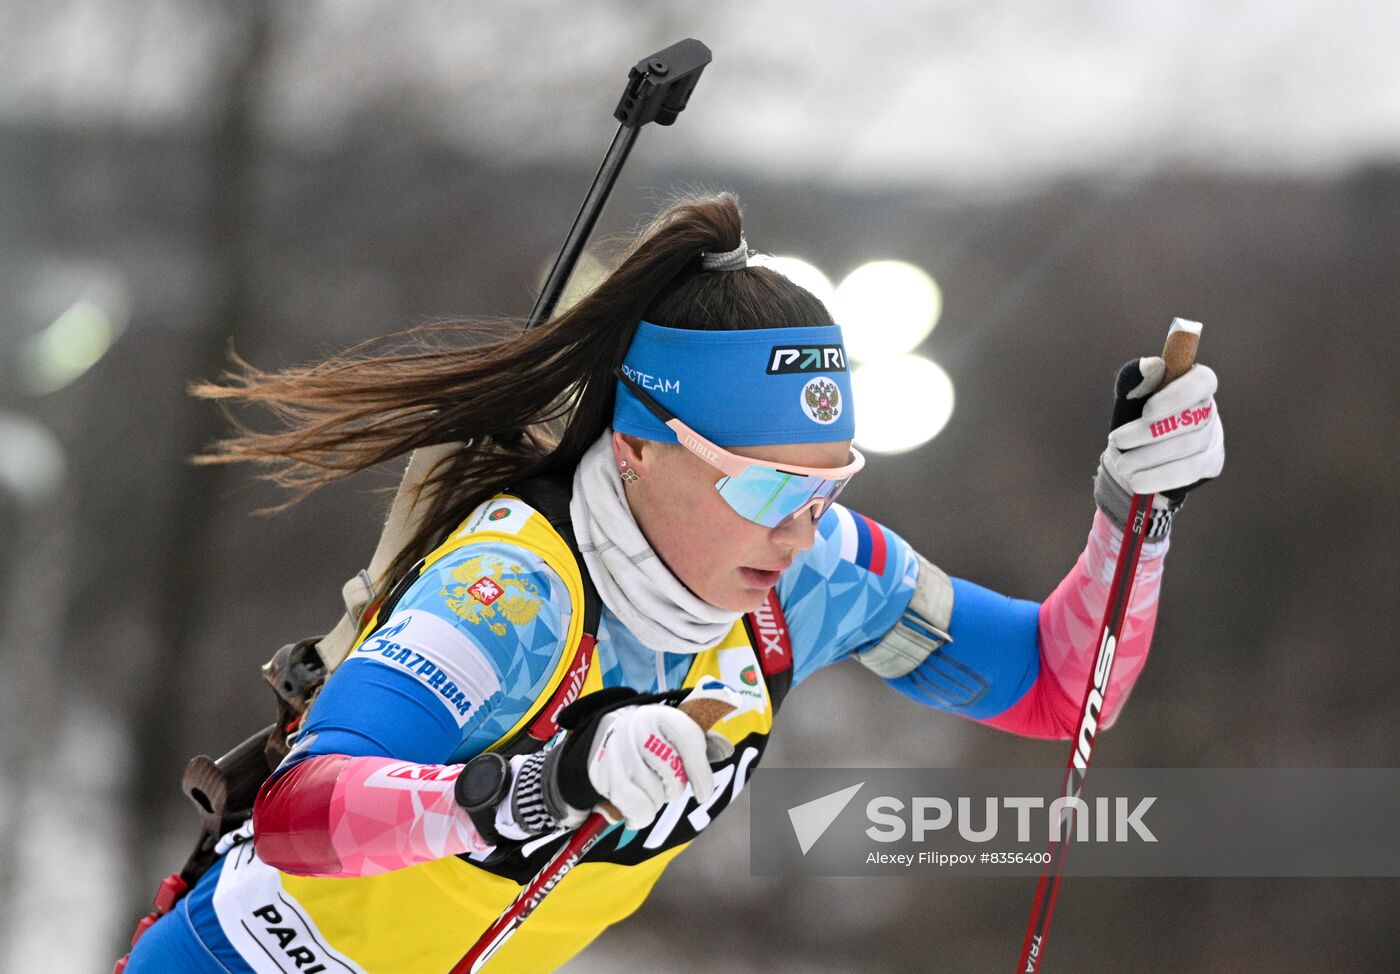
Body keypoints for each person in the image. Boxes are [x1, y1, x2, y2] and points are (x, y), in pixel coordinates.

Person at [121, 193, 1224, 972]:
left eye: (827, 484)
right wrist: (541, 781)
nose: (797, 529)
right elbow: (301, 814)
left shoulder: (812, 572)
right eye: (756, 488)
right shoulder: (515, 586)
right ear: (641, 445)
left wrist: (1133, 518)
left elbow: (1053, 687)